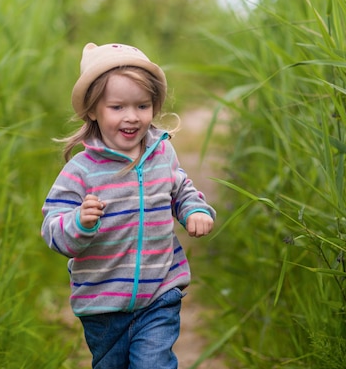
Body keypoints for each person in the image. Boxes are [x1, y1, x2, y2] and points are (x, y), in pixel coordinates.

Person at [40, 42, 216, 368]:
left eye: (142, 106)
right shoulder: (81, 171)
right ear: (93, 110)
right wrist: (79, 222)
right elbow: (53, 229)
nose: (132, 117)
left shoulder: (162, 154)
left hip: (160, 293)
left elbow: (180, 188)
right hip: (102, 305)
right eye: (117, 107)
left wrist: (195, 210)